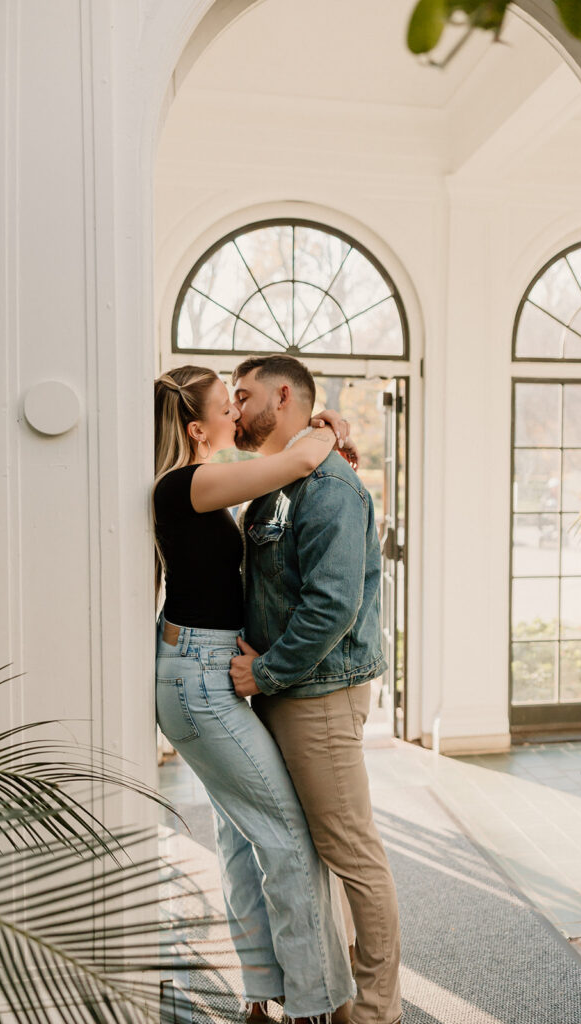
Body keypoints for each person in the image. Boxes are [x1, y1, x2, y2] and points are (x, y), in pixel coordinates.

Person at [153, 365, 356, 1024]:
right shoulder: (193, 481)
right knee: (290, 839)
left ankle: (263, 993)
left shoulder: (198, 486)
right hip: (199, 678)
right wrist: (331, 426)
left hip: (197, 671)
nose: (237, 415)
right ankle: (313, 1003)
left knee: (243, 839)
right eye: (226, 404)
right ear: (196, 428)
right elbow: (299, 458)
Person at [228, 355, 402, 1024]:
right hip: (285, 692)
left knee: (350, 850)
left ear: (282, 395)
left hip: (316, 695)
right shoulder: (276, 483)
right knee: (307, 849)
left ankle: (373, 1011)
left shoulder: (327, 488)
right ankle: (329, 991)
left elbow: (331, 609)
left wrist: (263, 672)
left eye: (242, 396)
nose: (236, 409)